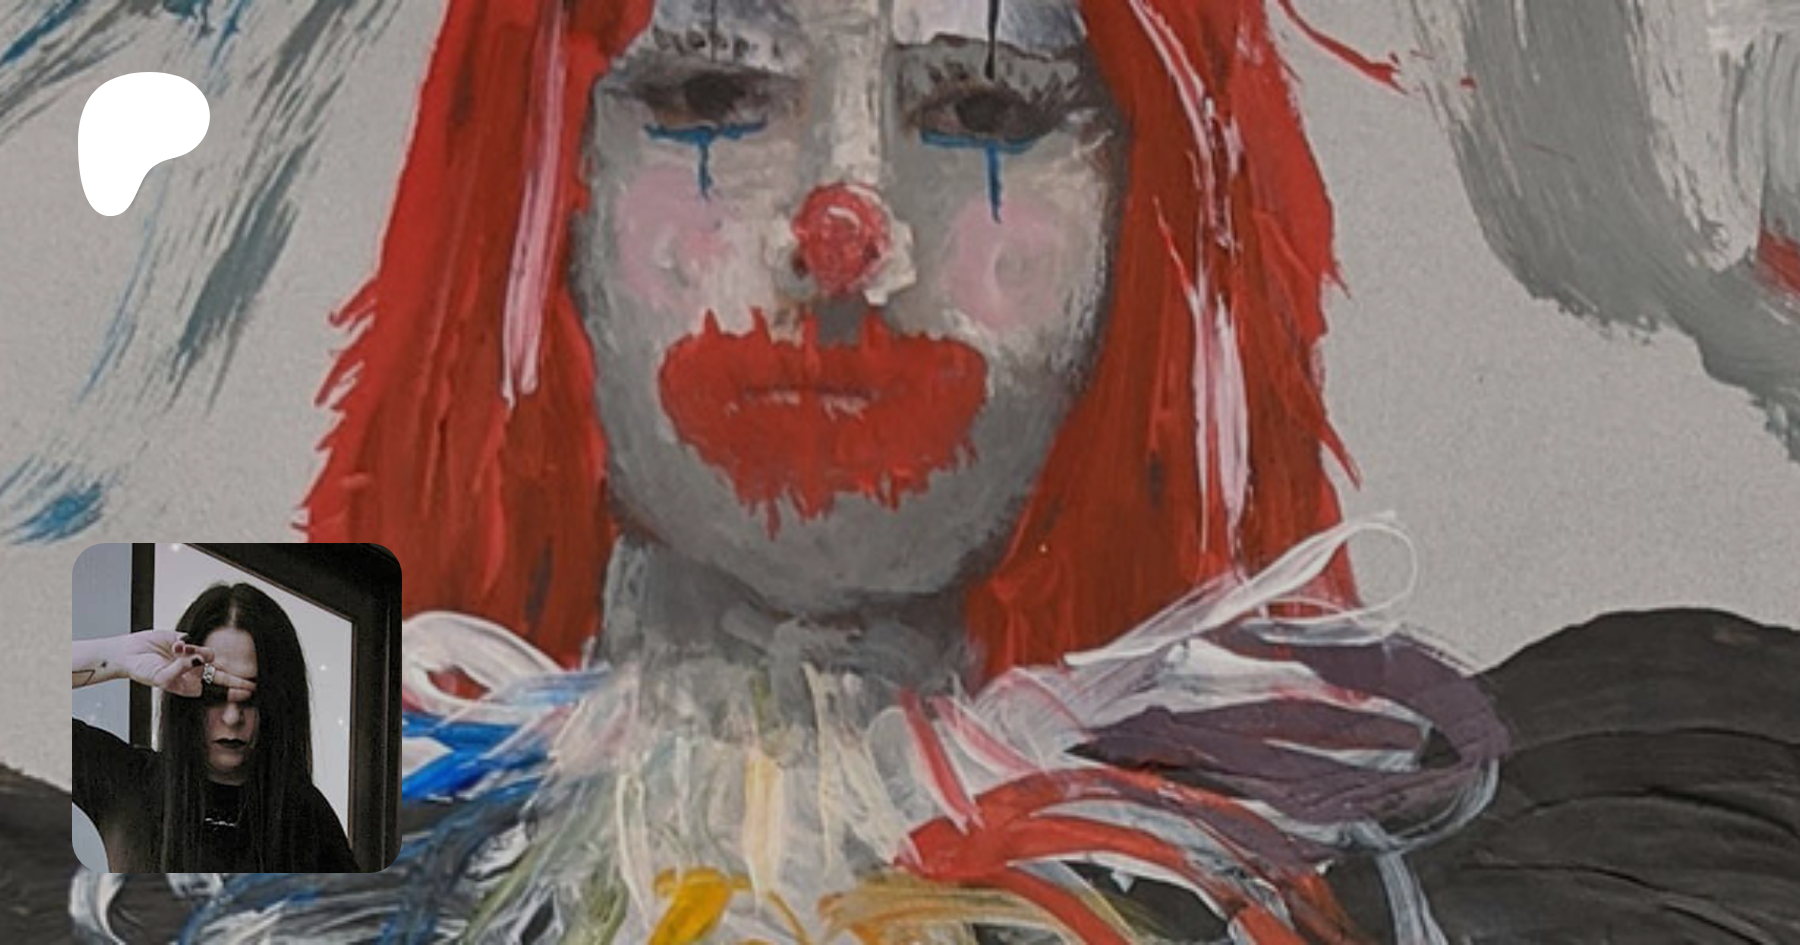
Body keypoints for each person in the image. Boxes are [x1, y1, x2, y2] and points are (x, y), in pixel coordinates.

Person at [57, 0, 1800, 941]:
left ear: (1150, 224)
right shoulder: (219, 772)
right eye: (709, 93)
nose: (845, 231)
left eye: (981, 111)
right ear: (538, 189)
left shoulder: (1444, 853)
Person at [70, 582, 359, 873]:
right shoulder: (126, 781)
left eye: (252, 698)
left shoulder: (309, 819)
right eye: (213, 694)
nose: (232, 718)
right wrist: (118, 657)